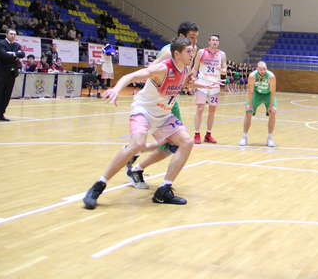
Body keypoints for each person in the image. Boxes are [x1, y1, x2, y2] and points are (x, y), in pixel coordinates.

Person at [82, 37, 196, 209]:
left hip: (163, 115)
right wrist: (116, 89)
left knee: (187, 142)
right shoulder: (162, 69)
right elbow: (132, 75)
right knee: (137, 144)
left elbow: (187, 83)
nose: (192, 54)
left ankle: (164, 190)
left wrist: (207, 86)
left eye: (192, 51)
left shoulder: (186, 69)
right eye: (188, 51)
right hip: (144, 110)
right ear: (177, 54)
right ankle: (99, 185)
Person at [122, 21, 199, 189]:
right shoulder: (168, 51)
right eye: (192, 37)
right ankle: (136, 158)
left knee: (173, 144)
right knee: (175, 144)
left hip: (170, 100)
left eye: (196, 38)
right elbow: (152, 71)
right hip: (158, 101)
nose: (194, 41)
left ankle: (136, 155)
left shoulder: (190, 52)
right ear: (182, 36)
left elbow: (184, 76)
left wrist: (189, 81)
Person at [193, 34, 227, 144]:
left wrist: (222, 70)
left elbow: (225, 69)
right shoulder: (201, 52)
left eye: (216, 40)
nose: (215, 42)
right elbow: (195, 68)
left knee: (212, 110)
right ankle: (197, 134)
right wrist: (193, 80)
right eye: (213, 40)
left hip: (215, 85)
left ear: (218, 42)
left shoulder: (222, 54)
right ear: (209, 41)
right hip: (202, 83)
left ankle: (208, 134)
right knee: (200, 108)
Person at [239, 61, 277, 147]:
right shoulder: (252, 76)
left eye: (264, 69)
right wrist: (250, 104)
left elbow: (273, 91)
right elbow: (250, 91)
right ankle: (244, 136)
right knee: (248, 111)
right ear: (257, 69)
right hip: (256, 93)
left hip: (268, 94)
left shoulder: (271, 76)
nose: (263, 71)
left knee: (273, 112)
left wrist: (271, 105)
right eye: (261, 69)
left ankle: (270, 138)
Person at [0, 29, 24, 121]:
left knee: (7, 95)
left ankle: (0, 114)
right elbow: (3, 55)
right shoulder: (0, 44)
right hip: (1, 73)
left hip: (11, 74)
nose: (13, 36)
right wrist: (16, 55)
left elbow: (22, 54)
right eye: (11, 34)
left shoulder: (17, 45)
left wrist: (12, 54)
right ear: (6, 34)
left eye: (14, 34)